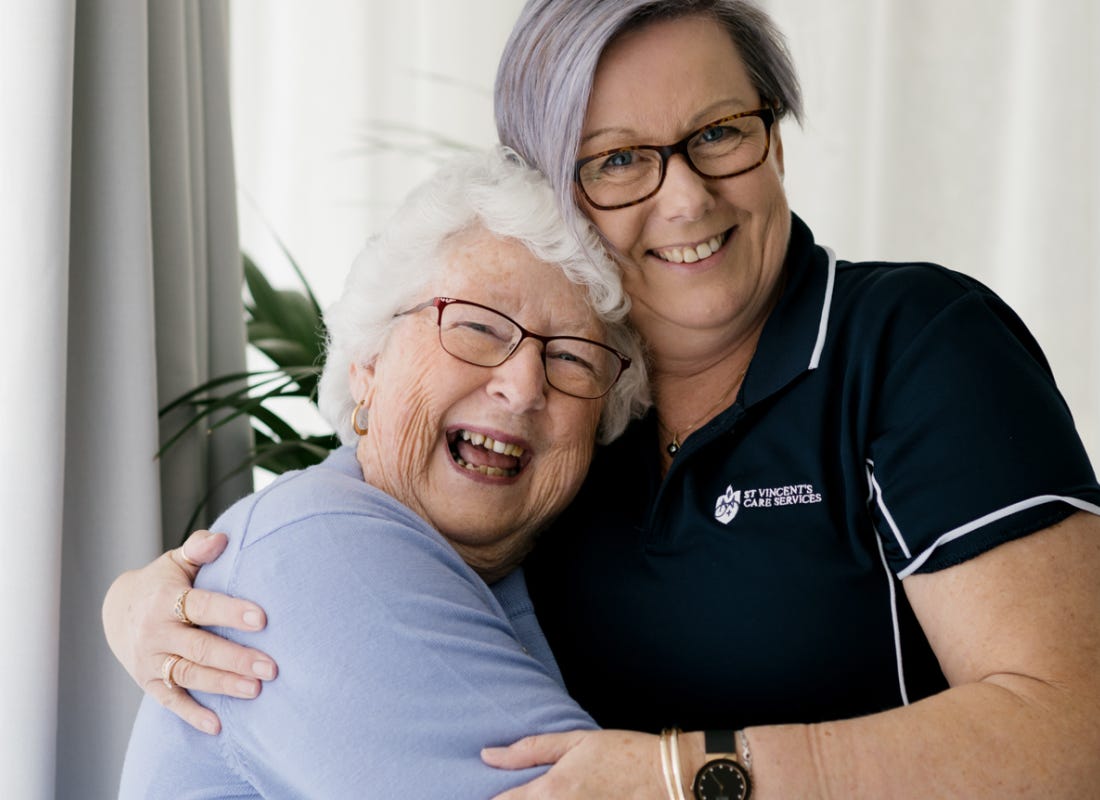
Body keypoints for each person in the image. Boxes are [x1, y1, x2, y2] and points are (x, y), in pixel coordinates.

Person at [105, 1, 1100, 797]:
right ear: (556, 191)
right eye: (619, 158)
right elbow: (356, 511)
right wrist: (153, 597)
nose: (684, 197)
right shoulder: (565, 429)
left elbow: (1076, 731)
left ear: (774, 139)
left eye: (718, 132)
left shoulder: (913, 339)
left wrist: (693, 770)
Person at [116, 146, 649, 798]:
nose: (524, 385)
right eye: (478, 327)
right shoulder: (319, 547)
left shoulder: (529, 576)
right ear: (366, 365)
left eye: (571, 358)